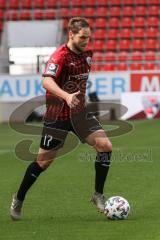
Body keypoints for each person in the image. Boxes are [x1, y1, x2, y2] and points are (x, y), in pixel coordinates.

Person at [10, 17, 112, 220]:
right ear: (71, 34)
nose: (86, 42)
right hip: (57, 115)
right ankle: (19, 197)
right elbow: (47, 82)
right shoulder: (60, 56)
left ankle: (98, 195)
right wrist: (66, 96)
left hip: (79, 113)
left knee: (105, 145)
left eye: (89, 38)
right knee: (43, 163)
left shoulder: (87, 55)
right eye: (83, 37)